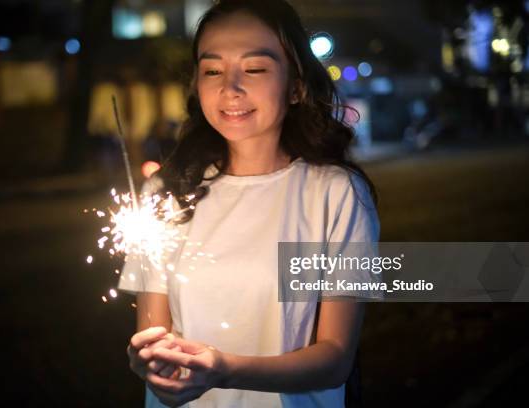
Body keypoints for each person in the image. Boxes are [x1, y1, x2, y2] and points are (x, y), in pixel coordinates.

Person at [118, 1, 380, 406]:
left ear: (295, 85)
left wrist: (226, 369)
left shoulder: (336, 194)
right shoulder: (166, 191)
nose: (230, 88)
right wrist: (152, 365)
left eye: (255, 69)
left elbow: (335, 359)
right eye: (212, 70)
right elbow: (155, 340)